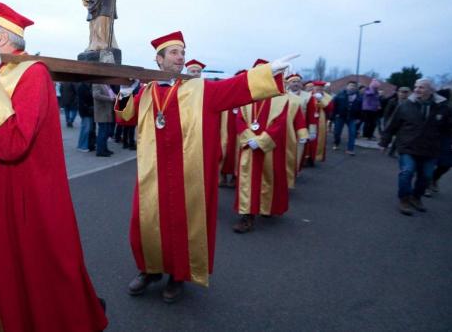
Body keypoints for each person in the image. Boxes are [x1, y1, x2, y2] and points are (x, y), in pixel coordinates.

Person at [0, 0, 107, 332]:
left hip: (20, 201)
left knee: (32, 278)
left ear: (1, 40)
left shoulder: (33, 73)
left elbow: (13, 143)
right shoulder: (2, 72)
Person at [116, 31, 296, 303]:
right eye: (174, 52)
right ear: (159, 59)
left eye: (182, 52)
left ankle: (178, 276)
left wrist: (268, 72)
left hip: (188, 173)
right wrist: (127, 91)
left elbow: (235, 89)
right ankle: (149, 270)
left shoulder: (200, 90)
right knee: (146, 223)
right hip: (152, 173)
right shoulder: (147, 91)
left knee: (182, 223)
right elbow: (125, 118)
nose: (181, 57)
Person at [232, 60, 301, 233]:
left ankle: (266, 207)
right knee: (248, 180)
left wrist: (262, 141)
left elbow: (281, 122)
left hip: (270, 147)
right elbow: (239, 118)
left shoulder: (280, 97)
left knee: (269, 178)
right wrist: (249, 138)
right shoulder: (246, 95)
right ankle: (247, 216)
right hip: (249, 146)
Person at [379, 79, 452, 216]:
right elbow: (392, 125)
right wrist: (384, 143)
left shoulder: (443, 107)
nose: (417, 90)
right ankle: (404, 199)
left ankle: (416, 197)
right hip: (408, 146)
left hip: (431, 148)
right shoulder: (406, 105)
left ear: (431, 90)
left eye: (422, 87)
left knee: (426, 176)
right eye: (416, 87)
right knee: (407, 171)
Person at [426, 89, 452, 195]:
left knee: (446, 165)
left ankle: (434, 179)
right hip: (433, 139)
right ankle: (427, 184)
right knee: (429, 163)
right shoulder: (431, 107)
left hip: (447, 141)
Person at [303, 81, 334, 163]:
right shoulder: (307, 95)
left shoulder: (327, 97)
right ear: (313, 88)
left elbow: (330, 109)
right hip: (308, 119)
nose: (318, 90)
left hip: (321, 120)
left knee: (318, 139)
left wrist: (321, 100)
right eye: (317, 88)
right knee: (307, 138)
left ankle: (314, 157)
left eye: (320, 88)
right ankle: (305, 157)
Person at [286, 73, 312, 170]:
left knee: (298, 150)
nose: (296, 84)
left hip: (300, 127)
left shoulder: (308, 96)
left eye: (298, 82)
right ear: (289, 83)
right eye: (293, 82)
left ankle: (294, 170)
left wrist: (311, 131)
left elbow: (311, 114)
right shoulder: (282, 94)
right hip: (285, 127)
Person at [332, 81, 363, 154]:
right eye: (350, 85)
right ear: (347, 86)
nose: (352, 87)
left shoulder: (359, 97)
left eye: (354, 86)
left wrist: (359, 118)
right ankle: (336, 143)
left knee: (352, 133)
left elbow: (361, 109)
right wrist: (334, 115)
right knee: (337, 132)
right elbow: (334, 105)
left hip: (352, 117)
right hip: (340, 116)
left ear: (356, 88)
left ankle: (350, 149)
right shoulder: (340, 95)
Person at [93, 83, 115, 157]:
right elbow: (96, 95)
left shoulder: (107, 84)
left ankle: (105, 149)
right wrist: (109, 98)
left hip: (107, 112)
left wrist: (114, 96)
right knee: (102, 132)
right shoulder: (97, 84)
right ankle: (100, 151)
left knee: (106, 132)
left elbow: (110, 94)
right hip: (102, 112)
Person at [76, 82, 96, 152]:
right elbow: (81, 101)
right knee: (85, 129)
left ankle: (85, 145)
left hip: (89, 111)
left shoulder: (88, 86)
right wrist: (86, 108)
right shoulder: (82, 87)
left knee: (88, 129)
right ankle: (81, 146)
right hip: (85, 111)